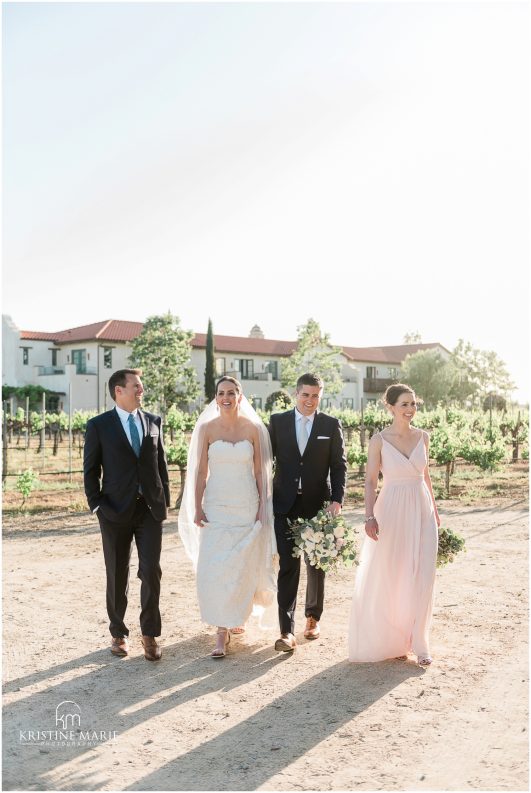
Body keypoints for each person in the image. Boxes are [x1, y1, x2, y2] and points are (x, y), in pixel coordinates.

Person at [178, 376, 277, 658]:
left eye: (231, 393)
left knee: (241, 565)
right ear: (216, 397)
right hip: (217, 506)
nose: (226, 397)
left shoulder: (254, 429)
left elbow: (260, 471)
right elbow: (200, 471)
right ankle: (220, 630)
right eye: (221, 392)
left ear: (240, 396)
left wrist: (262, 506)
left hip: (246, 504)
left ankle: (237, 616)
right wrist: (197, 506)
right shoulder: (207, 428)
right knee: (215, 567)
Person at [348, 383, 440, 666]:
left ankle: (420, 642)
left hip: (421, 507)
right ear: (390, 407)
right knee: (393, 572)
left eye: (413, 404)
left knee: (423, 573)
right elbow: (371, 481)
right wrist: (369, 515)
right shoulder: (378, 440)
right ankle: (393, 637)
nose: (411, 410)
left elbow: (425, 477)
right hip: (390, 508)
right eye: (404, 405)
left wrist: (435, 511)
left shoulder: (423, 437)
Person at [83, 368, 170, 661]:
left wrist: (164, 502)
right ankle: (118, 632)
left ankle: (150, 634)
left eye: (141, 386)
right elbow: (90, 471)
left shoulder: (154, 421)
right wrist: (97, 506)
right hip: (114, 510)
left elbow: (161, 466)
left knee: (151, 571)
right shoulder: (98, 426)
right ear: (119, 390)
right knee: (117, 572)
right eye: (136, 386)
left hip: (149, 510)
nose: (141, 390)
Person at [268, 373, 347, 652]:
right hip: (285, 504)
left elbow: (339, 466)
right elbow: (265, 461)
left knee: (316, 564)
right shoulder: (277, 423)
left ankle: (313, 618)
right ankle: (285, 631)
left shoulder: (330, 424)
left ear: (321, 395)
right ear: (296, 394)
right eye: (306, 395)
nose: (310, 400)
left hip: (318, 505)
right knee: (288, 566)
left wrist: (337, 500)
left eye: (316, 395)